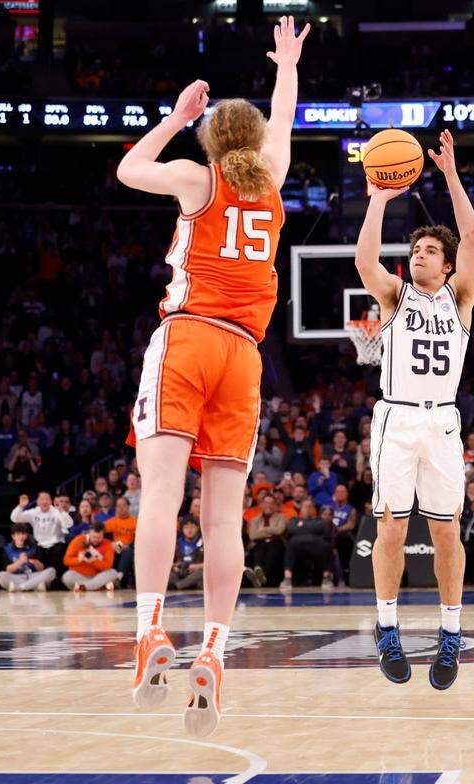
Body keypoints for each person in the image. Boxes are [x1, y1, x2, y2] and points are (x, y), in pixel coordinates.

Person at [119, 18, 310, 735]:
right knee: (223, 518)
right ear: (254, 141)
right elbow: (285, 117)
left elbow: (128, 171)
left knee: (162, 493)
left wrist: (173, 119)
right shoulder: (275, 182)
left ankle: (149, 637)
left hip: (189, 337)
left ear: (210, 140)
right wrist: (286, 65)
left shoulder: (196, 178)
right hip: (244, 356)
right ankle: (216, 654)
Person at [355, 128, 474, 690]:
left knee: (448, 531)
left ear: (448, 266)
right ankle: (387, 628)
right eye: (416, 250)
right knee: (391, 526)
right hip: (398, 417)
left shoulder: (460, 297)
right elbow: (364, 260)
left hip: (444, 420)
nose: (418, 255)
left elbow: (473, 233)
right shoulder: (395, 295)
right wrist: (379, 200)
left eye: (430, 251)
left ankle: (450, 635)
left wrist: (451, 175)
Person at [9, 492, 73, 584]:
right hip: (40, 548)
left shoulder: (56, 511)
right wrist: (21, 506)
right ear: (38, 501)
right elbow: (14, 518)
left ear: (51, 501)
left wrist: (61, 510)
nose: (45, 501)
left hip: (56, 547)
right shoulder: (34, 512)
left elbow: (69, 524)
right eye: (42, 499)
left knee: (58, 556)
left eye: (47, 499)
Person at [279, 500, 335, 591]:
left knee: (327, 547)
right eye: (305, 507)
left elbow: (322, 528)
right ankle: (287, 579)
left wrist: (301, 527)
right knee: (290, 546)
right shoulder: (294, 520)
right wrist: (310, 528)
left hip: (316, 547)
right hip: (297, 547)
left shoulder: (319, 520)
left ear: (313, 509)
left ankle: (326, 579)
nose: (308, 509)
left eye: (310, 507)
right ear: (300, 509)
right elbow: (291, 530)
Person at [63, 520, 122, 592]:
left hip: (97, 577)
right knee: (66, 577)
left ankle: (84, 587)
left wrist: (94, 561)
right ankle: (95, 587)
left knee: (113, 573)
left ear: (103, 534)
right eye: (94, 537)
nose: (96, 540)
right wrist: (79, 559)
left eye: (99, 537)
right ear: (89, 533)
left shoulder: (108, 544)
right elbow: (66, 560)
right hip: (79, 575)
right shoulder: (78, 540)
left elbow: (108, 566)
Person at [0, 522, 57, 592]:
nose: (21, 537)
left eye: (23, 534)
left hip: (34, 576)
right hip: (17, 577)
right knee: (1, 575)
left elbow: (41, 569)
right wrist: (20, 562)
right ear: (13, 536)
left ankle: (20, 587)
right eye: (18, 534)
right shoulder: (7, 549)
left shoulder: (35, 547)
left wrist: (35, 562)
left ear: (27, 535)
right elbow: (8, 570)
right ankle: (34, 586)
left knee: (51, 571)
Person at [246, 494, 287, 587]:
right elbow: (252, 535)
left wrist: (263, 529)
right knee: (258, 547)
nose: (269, 505)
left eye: (271, 503)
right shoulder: (255, 520)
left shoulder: (281, 517)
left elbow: (279, 530)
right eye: (266, 503)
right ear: (262, 505)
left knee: (272, 549)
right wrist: (271, 530)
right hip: (259, 543)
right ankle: (258, 570)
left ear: (275, 505)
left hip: (276, 543)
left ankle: (260, 578)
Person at [169, 517, 205, 590]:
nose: (189, 530)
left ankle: (177, 586)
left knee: (201, 573)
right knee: (166, 573)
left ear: (197, 528)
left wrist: (194, 566)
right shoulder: (177, 543)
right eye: (186, 528)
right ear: (182, 530)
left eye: (192, 527)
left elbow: (211, 564)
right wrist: (175, 567)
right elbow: (171, 562)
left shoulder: (204, 543)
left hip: (195, 572)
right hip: (180, 573)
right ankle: (184, 585)